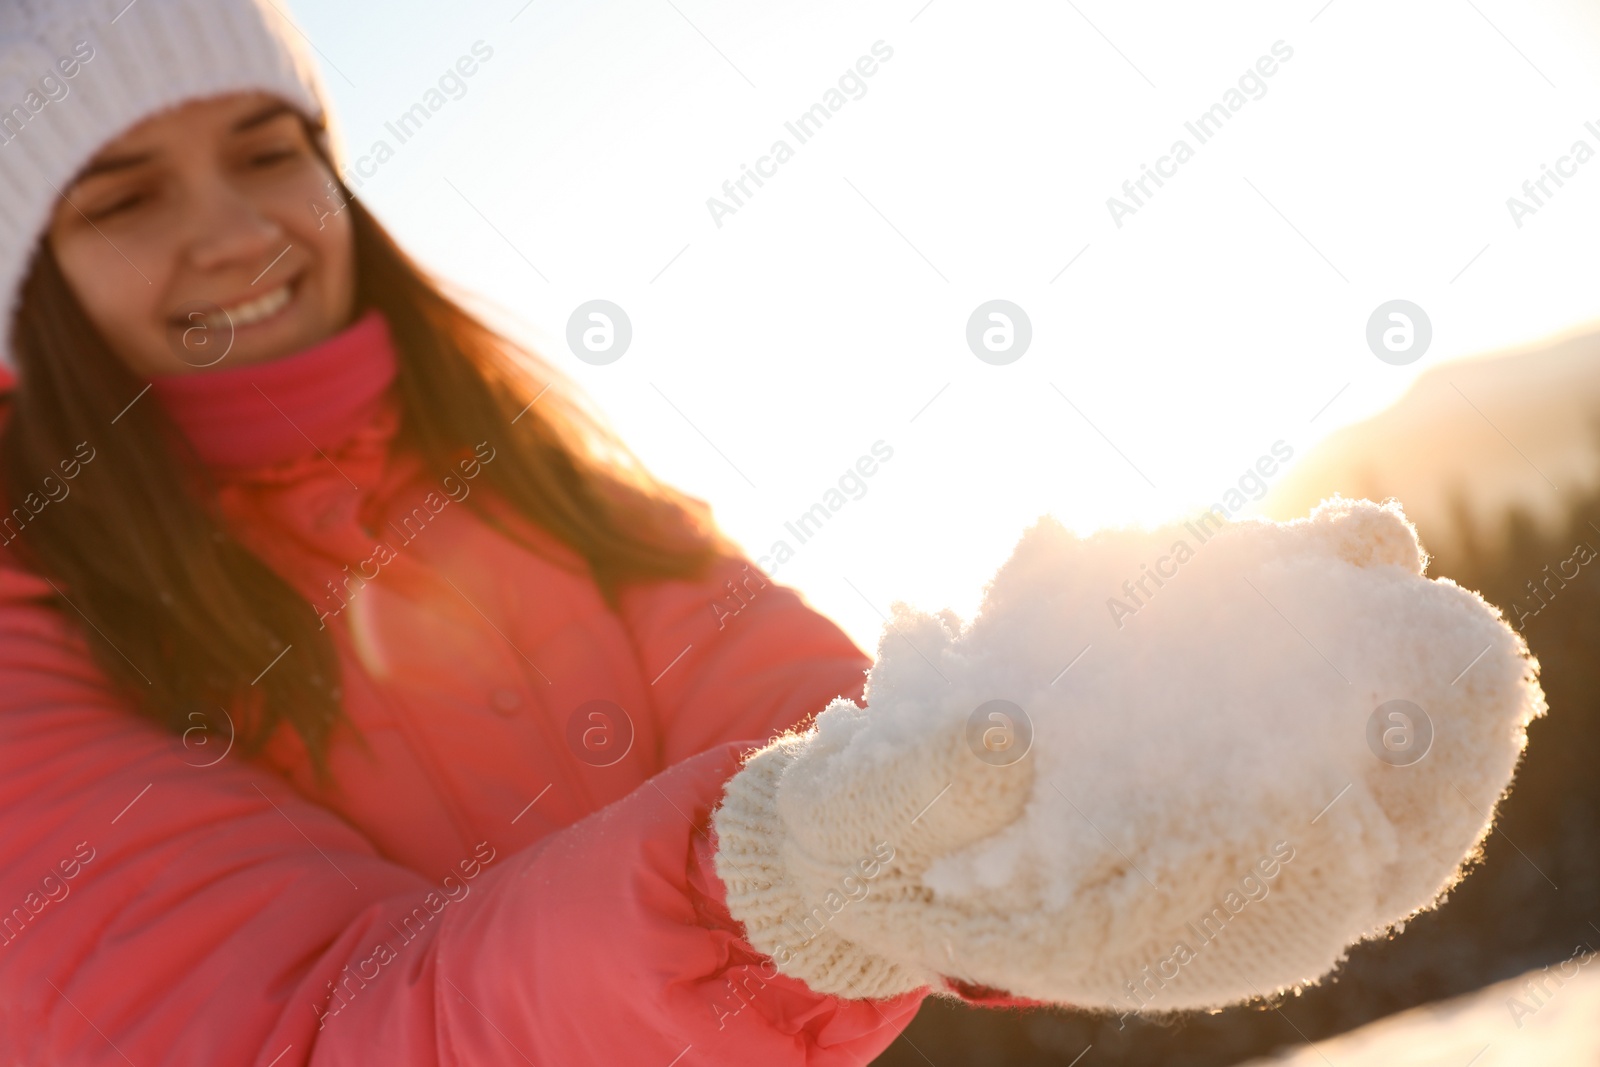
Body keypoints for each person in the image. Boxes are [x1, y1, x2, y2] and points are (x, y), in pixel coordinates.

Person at [0, 0, 1008, 1060]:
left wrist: (1003, 818)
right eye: (127, 198)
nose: (241, 232)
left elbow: (778, 687)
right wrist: (764, 887)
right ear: (32, 281)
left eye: (266, 153)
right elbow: (296, 1032)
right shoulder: (29, 613)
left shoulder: (529, 474)